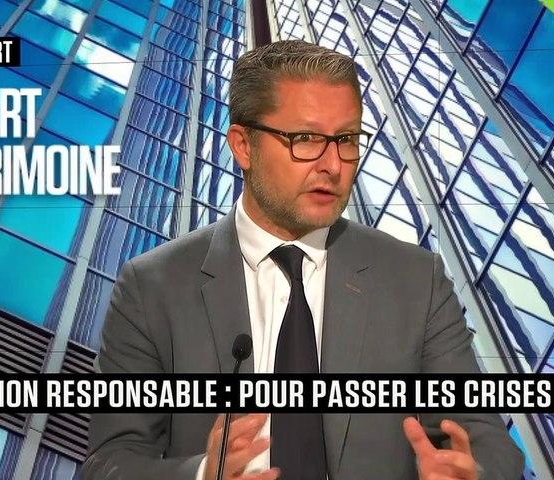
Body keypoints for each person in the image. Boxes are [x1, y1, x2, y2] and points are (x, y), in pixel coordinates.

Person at [82, 40, 525, 480]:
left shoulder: (416, 279)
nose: (333, 165)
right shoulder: (153, 286)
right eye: (306, 139)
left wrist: (472, 474)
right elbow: (110, 462)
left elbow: (486, 440)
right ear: (244, 146)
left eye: (346, 139)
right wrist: (202, 474)